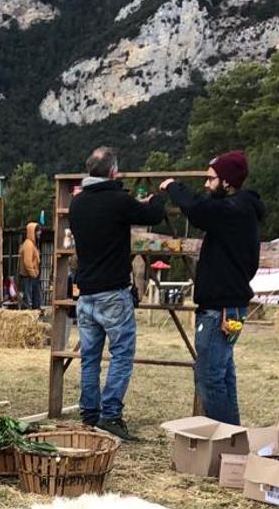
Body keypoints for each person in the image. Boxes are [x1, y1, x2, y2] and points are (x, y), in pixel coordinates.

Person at [161, 151, 265, 427]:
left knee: (208, 377)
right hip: (227, 307)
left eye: (211, 179)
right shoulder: (238, 210)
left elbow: (199, 210)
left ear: (228, 182)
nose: (207, 185)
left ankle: (226, 442)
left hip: (221, 310)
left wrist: (173, 186)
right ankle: (232, 435)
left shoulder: (235, 210)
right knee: (222, 374)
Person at [68, 147, 165, 440]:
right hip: (113, 292)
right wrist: (157, 197)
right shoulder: (119, 200)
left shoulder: (77, 204)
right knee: (121, 354)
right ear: (113, 173)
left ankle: (89, 414)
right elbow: (154, 214)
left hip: (85, 294)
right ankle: (111, 415)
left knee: (90, 358)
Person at [18, 222, 42, 310]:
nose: (40, 233)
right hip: (28, 276)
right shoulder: (28, 245)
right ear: (32, 232)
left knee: (35, 297)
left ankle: (34, 314)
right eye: (38, 231)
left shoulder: (32, 244)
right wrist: (34, 273)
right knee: (28, 299)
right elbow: (27, 262)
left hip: (31, 275)